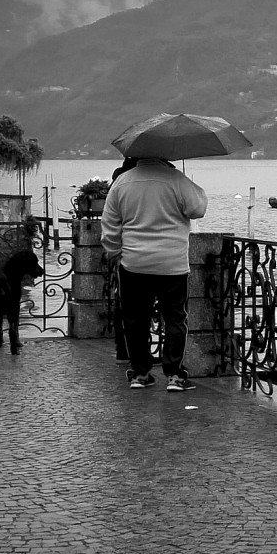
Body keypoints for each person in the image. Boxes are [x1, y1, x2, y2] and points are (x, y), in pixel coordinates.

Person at [100, 157, 207, 390]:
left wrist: (114, 252)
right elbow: (198, 208)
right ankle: (175, 375)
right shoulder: (176, 180)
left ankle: (140, 373)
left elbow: (109, 224)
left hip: (134, 263)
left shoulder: (121, 183)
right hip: (172, 263)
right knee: (175, 318)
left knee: (135, 319)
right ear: (163, 155)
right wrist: (182, 179)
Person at [108, 157, 139, 363]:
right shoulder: (128, 180)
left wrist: (112, 250)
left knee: (124, 302)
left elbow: (109, 219)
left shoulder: (119, 179)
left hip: (122, 249)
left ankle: (124, 349)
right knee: (133, 305)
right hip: (133, 251)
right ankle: (131, 351)